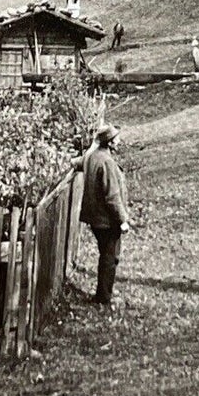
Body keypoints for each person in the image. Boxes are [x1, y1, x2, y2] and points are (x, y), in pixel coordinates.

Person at [80, 125, 131, 306]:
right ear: (110, 143)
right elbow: (112, 196)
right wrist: (122, 220)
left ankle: (103, 293)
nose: (119, 141)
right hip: (106, 220)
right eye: (116, 139)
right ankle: (103, 298)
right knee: (110, 258)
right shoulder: (107, 162)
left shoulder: (92, 157)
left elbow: (79, 162)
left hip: (95, 218)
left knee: (105, 255)